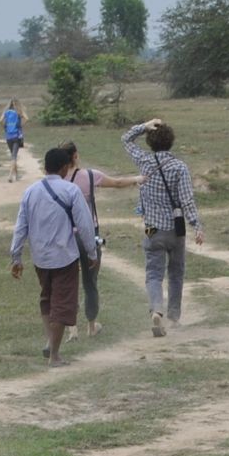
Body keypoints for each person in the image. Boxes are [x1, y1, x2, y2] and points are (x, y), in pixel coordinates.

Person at [11, 143, 95, 365]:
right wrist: (92, 251)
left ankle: (51, 341)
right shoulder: (70, 190)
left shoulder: (30, 191)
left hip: (40, 257)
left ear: (46, 167)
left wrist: (16, 256)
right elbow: (85, 226)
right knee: (63, 303)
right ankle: (55, 355)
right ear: (65, 168)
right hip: (64, 256)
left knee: (47, 299)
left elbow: (21, 226)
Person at [121, 118, 206, 337]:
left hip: (151, 228)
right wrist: (197, 225)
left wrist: (144, 126)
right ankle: (173, 316)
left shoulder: (144, 161)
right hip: (176, 230)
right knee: (176, 272)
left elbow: (126, 139)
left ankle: (156, 310)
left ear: (150, 142)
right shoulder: (179, 167)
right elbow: (187, 200)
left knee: (153, 273)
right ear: (171, 142)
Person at [61, 141, 138, 338]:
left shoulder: (57, 181)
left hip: (65, 236)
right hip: (89, 234)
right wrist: (138, 178)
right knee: (90, 282)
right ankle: (91, 325)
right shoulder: (90, 176)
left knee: (68, 282)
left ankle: (72, 329)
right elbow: (118, 183)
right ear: (76, 155)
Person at [1, 98, 25, 182]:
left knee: (13, 155)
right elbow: (27, 118)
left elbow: (0, 121)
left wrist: (5, 127)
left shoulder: (6, 112)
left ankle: (17, 175)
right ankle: (10, 175)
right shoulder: (19, 112)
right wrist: (21, 125)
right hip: (17, 136)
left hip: (8, 136)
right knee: (14, 157)